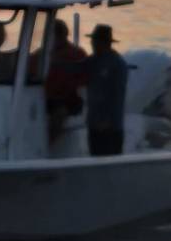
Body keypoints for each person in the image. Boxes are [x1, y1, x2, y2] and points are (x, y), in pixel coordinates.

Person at [84, 23, 128, 156]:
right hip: (93, 123)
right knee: (94, 156)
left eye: (94, 40)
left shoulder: (118, 64)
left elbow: (118, 95)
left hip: (111, 127)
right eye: (92, 40)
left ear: (104, 42)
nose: (91, 43)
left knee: (110, 159)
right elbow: (76, 68)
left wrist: (108, 120)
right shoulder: (92, 61)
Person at [45, 18, 88, 137]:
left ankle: (48, 144)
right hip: (47, 98)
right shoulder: (44, 53)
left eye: (56, 34)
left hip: (69, 101)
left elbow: (83, 81)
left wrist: (68, 88)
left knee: (59, 113)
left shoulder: (77, 54)